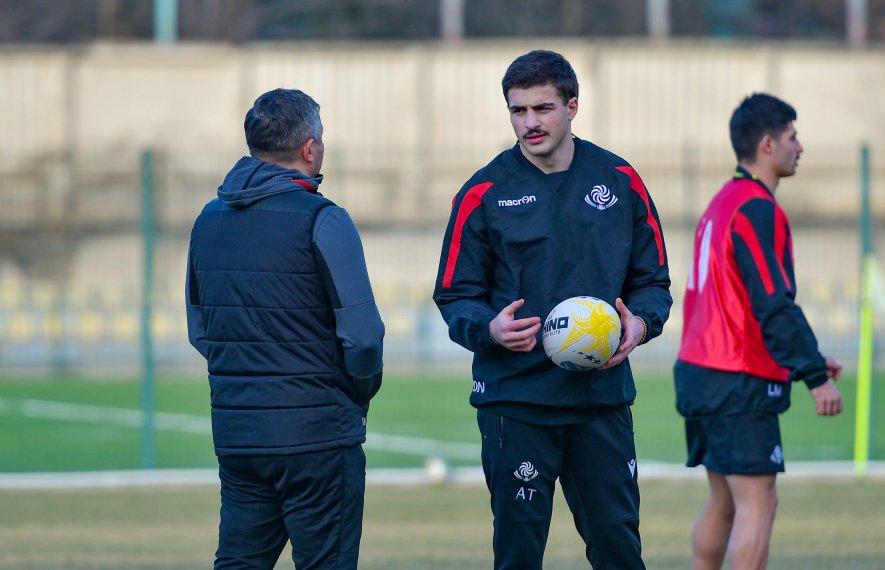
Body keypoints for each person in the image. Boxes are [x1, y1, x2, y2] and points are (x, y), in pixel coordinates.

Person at [432, 50, 672, 569]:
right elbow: (454, 296)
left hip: (600, 401)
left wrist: (641, 323)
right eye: (518, 111)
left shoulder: (620, 179)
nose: (529, 123)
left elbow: (653, 282)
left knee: (620, 553)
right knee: (518, 557)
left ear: (572, 106)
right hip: (516, 402)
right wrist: (489, 329)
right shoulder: (483, 192)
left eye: (542, 109)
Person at [185, 88, 384, 570]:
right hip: (317, 436)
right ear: (310, 148)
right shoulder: (324, 218)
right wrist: (354, 394)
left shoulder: (207, 220)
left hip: (239, 436)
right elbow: (363, 338)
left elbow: (200, 331)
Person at [674, 93, 843, 570]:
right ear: (768, 145)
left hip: (700, 372)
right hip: (735, 378)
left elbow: (737, 307)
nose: (801, 147)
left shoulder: (721, 202)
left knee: (725, 501)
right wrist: (814, 375)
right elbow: (773, 304)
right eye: (793, 137)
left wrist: (800, 358)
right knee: (758, 502)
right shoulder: (756, 208)